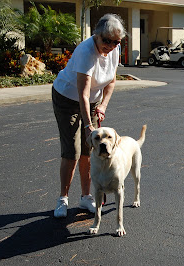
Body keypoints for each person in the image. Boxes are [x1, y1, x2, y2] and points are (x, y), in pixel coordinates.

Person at [52, 14, 126, 218]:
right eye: (106, 41)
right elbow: (82, 94)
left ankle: (86, 197)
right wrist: (87, 126)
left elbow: (111, 80)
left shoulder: (114, 49)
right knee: (72, 151)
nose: (110, 46)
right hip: (67, 98)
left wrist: (102, 105)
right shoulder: (86, 51)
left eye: (116, 42)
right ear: (97, 35)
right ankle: (63, 199)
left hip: (92, 100)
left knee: (90, 149)